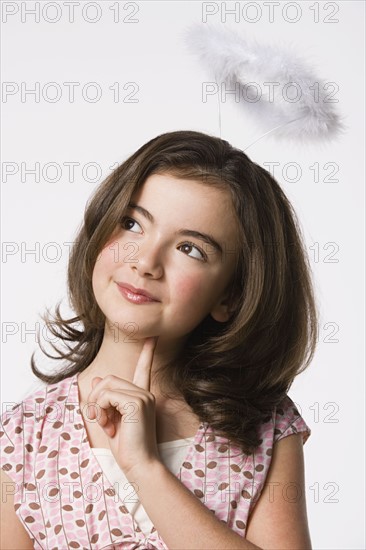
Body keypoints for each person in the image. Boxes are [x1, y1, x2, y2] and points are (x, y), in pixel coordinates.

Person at [0, 130, 317, 549]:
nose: (146, 262)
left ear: (230, 296)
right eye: (132, 224)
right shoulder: (24, 436)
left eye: (190, 248)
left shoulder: (264, 425)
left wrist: (145, 468)